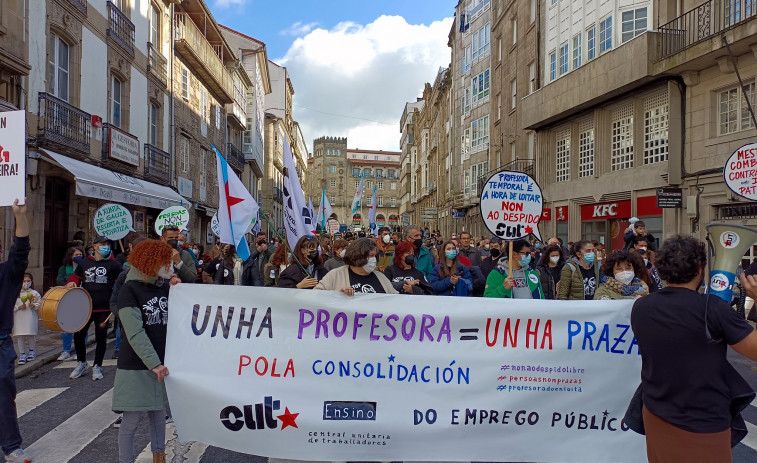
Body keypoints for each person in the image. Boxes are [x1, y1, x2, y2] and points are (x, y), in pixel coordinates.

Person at [632, 235, 757, 462]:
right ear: (700, 269)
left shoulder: (641, 307)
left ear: (661, 270)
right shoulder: (713, 309)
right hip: (703, 420)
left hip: (655, 412)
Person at [114, 240, 175, 463]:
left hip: (161, 363)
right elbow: (135, 333)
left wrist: (178, 287)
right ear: (151, 262)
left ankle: (159, 458)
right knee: (130, 421)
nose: (168, 266)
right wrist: (154, 363)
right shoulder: (129, 290)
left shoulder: (164, 287)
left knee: (159, 417)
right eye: (164, 261)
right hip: (137, 365)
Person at [67, 235, 123, 380]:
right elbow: (76, 277)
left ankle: (97, 365)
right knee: (78, 335)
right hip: (85, 306)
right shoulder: (85, 263)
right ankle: (81, 362)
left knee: (101, 337)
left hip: (104, 308)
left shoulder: (114, 264)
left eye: (107, 244)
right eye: (102, 244)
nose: (105, 246)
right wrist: (71, 283)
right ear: (95, 246)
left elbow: (122, 281)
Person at [0, 198, 31, 463]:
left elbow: (21, 251)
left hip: (0, 344)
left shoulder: (7, 274)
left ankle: (11, 446)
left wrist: (20, 216)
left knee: (3, 395)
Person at [315, 238, 397, 294]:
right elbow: (316, 296)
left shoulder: (381, 277)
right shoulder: (335, 275)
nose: (374, 260)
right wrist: (337, 296)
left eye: (375, 256)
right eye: (371, 255)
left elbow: (396, 299)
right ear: (358, 256)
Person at [56, 246, 84, 360]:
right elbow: (59, 280)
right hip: (67, 298)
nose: (78, 257)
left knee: (81, 326)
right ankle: (66, 350)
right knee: (66, 326)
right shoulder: (64, 269)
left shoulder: (85, 267)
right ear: (71, 256)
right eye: (76, 255)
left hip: (81, 298)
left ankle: (80, 350)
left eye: (80, 255)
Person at [13, 273, 41, 366]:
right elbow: (10, 306)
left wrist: (34, 306)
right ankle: (22, 354)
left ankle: (32, 351)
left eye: (28, 281)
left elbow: (40, 304)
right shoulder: (16, 293)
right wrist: (18, 307)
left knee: (30, 335)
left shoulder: (34, 293)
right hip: (19, 317)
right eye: (24, 281)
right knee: (20, 336)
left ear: (31, 282)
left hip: (30, 317)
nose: (26, 283)